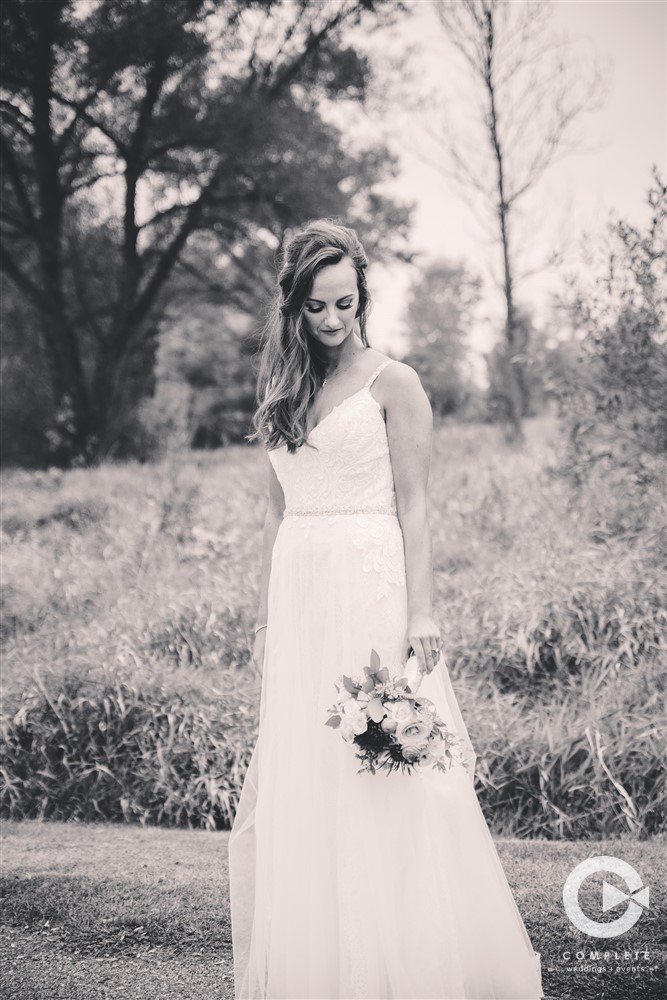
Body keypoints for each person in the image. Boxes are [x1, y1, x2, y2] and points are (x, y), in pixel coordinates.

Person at [228, 219, 544, 1000]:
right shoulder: (282, 388)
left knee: (384, 763)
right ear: (292, 308)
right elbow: (273, 514)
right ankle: (324, 962)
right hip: (301, 595)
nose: (332, 320)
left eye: (344, 302)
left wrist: (423, 613)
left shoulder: (392, 382)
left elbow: (418, 505)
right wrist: (265, 620)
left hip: (368, 588)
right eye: (315, 307)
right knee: (309, 773)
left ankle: (410, 959)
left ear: (362, 292)